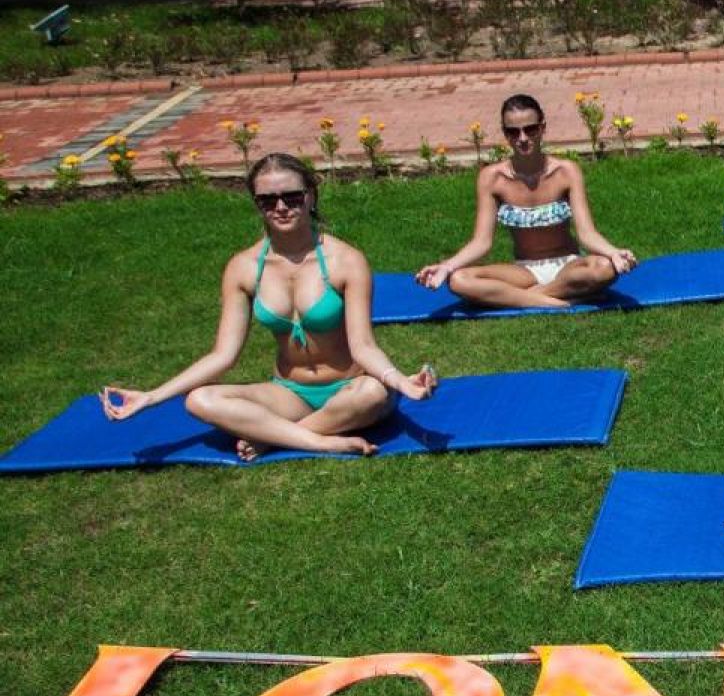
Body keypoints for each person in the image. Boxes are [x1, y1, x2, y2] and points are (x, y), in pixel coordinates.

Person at [100, 153, 436, 460]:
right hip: (288, 394)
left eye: (292, 197)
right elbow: (223, 356)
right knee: (199, 400)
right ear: (257, 204)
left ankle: (273, 437)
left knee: (373, 394)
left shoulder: (345, 261)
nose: (281, 207)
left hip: (349, 388)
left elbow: (363, 346)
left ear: (311, 197)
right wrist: (152, 396)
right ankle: (319, 440)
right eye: (268, 200)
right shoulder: (244, 268)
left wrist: (399, 382)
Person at [415, 94, 637, 308]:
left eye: (530, 129)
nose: (522, 138)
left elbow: (586, 233)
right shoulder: (492, 178)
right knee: (459, 280)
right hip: (523, 271)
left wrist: (613, 252)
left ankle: (521, 297)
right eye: (513, 132)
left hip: (568, 265)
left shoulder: (566, 172)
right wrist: (447, 266)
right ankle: (555, 299)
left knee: (604, 268)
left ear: (542, 128)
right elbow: (482, 242)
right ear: (505, 134)